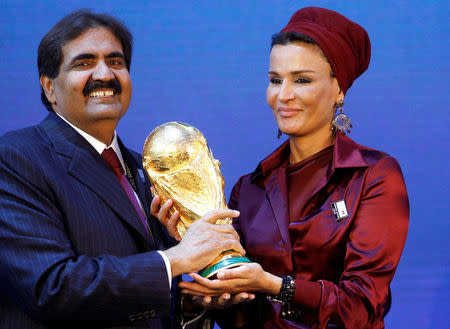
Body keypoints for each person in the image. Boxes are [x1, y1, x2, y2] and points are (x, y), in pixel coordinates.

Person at [155, 7, 409, 329]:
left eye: (301, 80)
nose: (283, 95)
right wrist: (206, 286)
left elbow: (360, 306)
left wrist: (275, 285)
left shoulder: (373, 176)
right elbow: (240, 313)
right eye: (275, 80)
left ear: (339, 89)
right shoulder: (248, 189)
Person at [0, 9, 245, 329]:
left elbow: (148, 295)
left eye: (115, 62)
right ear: (49, 88)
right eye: (84, 62)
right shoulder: (17, 159)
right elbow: (52, 288)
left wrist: (191, 300)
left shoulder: (146, 170)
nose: (104, 74)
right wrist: (176, 259)